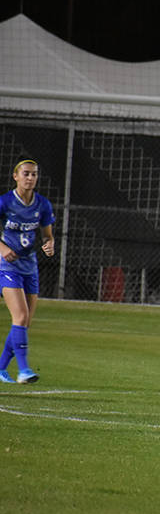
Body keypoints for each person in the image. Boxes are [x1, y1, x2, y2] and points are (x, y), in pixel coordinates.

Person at [0, 157, 56, 384]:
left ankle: (1, 368)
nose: (30, 178)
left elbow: (47, 234)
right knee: (20, 316)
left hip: (29, 266)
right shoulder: (5, 202)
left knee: (24, 323)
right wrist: (2, 248)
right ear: (15, 176)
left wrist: (49, 243)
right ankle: (24, 370)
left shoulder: (42, 204)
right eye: (26, 173)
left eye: (34, 174)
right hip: (6, 265)